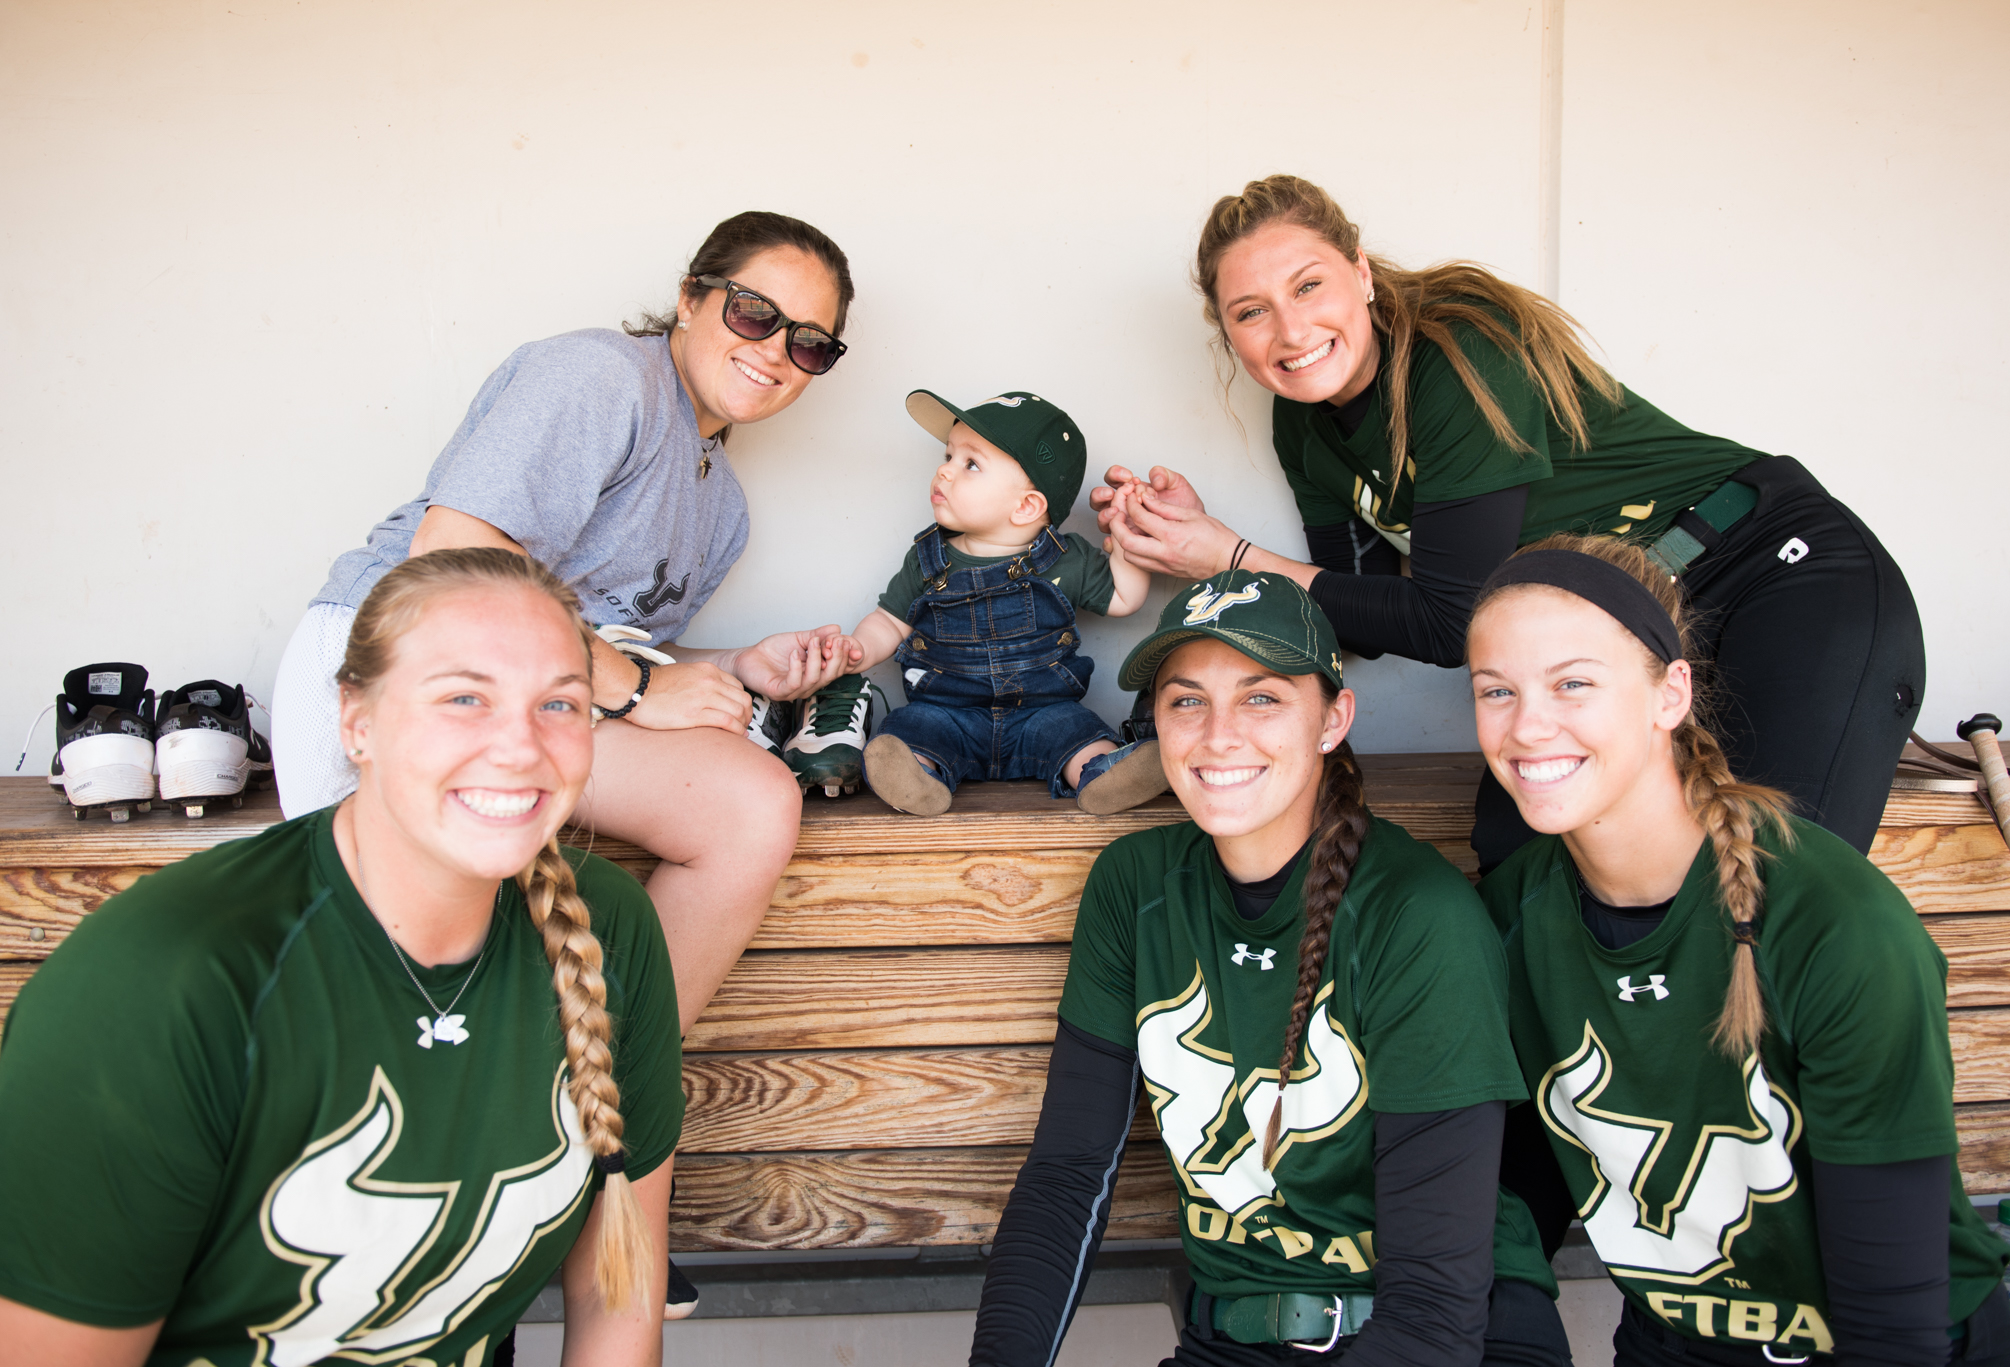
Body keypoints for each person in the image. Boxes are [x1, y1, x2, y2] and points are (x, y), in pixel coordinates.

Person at [1096, 173, 1922, 871]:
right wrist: (1198, 542)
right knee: (1517, 848)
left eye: (1309, 285)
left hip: (1767, 570)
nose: (1292, 330)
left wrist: (1230, 558)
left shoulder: (1458, 351)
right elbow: (1373, 614)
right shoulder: (1303, 425)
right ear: (1227, 332)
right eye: (1252, 311)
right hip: (1624, 630)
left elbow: (1452, 623)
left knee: (1786, 874)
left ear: (1361, 271)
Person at [0, 548, 681, 1367]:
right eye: (464, 697)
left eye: (559, 704)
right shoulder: (161, 982)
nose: (519, 746)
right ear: (356, 720)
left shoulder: (607, 925)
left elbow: (618, 1292)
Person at [274, 210, 855, 1055]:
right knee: (385, 1013)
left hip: (535, 697)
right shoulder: (603, 377)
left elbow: (605, 639)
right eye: (754, 313)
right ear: (691, 298)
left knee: (751, 802)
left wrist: (733, 666)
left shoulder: (721, 506)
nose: (774, 350)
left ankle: (603, 1086)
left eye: (809, 343)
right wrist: (648, 688)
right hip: (400, 656)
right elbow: (456, 553)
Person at [969, 570, 1570, 1367]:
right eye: (1187, 700)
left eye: (1261, 698)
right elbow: (1069, 1174)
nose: (1218, 735)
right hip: (1238, 1337)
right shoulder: (1135, 886)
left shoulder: (1415, 913)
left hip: (1452, 1336)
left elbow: (1433, 1307)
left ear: (1333, 719)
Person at [1466, 534, 2010, 1367]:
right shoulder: (1512, 913)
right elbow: (1516, 1175)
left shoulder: (1833, 922)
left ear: (1669, 693)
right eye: (1495, 690)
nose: (1527, 724)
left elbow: (1896, 1313)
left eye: (1573, 682)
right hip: (1672, 1342)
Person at [816, 388, 1165, 816]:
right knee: (909, 732)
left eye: (970, 464)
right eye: (947, 457)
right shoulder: (929, 558)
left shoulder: (1066, 558)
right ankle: (918, 778)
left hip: (1043, 715)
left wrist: (1131, 537)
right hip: (945, 713)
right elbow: (890, 621)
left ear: (1026, 506)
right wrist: (860, 648)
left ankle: (1100, 774)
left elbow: (1125, 596)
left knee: (1079, 734)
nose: (944, 473)